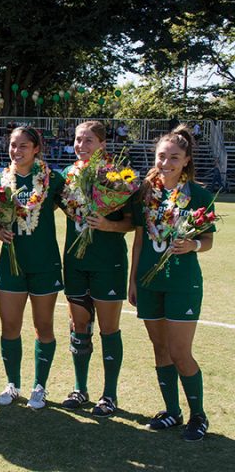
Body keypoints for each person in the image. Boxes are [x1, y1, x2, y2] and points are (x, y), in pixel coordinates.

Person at [129, 126, 215, 441]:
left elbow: (207, 241)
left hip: (182, 283)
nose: (166, 162)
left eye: (174, 157)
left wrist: (193, 246)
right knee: (160, 348)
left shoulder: (200, 196)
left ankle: (199, 416)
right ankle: (172, 412)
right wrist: (133, 280)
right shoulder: (145, 193)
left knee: (180, 352)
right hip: (149, 283)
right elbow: (138, 241)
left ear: (186, 160)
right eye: (162, 156)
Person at [60, 121, 133, 416]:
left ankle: (109, 395)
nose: (81, 145)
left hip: (108, 262)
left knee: (108, 328)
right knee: (79, 326)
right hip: (76, 262)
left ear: (102, 144)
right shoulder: (67, 175)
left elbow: (131, 223)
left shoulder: (117, 177)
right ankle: (80, 389)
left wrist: (108, 224)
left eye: (88, 140)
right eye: (78, 140)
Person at [0, 126, 65, 409]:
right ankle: (12, 385)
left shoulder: (53, 180)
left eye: (23, 145)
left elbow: (73, 206)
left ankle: (40, 386)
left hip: (44, 262)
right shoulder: (0, 181)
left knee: (43, 326)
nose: (16, 150)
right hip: (12, 262)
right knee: (9, 325)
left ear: (36, 149)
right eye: (13, 145)